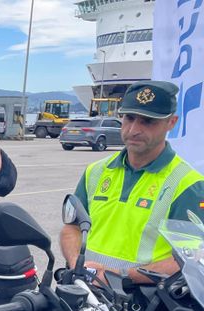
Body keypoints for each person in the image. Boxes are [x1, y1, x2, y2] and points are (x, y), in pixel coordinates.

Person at [60, 81, 204, 284]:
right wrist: (77, 263)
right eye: (129, 118)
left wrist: (118, 276)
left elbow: (191, 258)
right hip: (87, 293)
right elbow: (71, 228)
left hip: (145, 303)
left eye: (147, 121)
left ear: (172, 122)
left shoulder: (189, 185)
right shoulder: (96, 171)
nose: (134, 129)